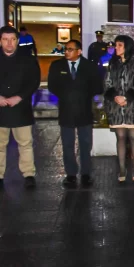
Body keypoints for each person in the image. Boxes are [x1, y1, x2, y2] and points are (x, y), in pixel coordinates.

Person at [48, 39, 103, 187]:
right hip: (66, 110)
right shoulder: (57, 65)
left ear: (79, 51)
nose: (67, 51)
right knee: (67, 144)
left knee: (85, 143)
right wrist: (67, 95)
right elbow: (52, 85)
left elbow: (98, 85)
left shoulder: (89, 66)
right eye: (66, 49)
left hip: (84, 110)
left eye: (70, 49)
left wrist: (82, 95)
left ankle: (86, 173)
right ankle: (71, 174)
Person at [0, 26, 41, 188]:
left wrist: (20, 97)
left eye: (13, 39)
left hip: (20, 107)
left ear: (17, 41)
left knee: (25, 143)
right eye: (5, 39)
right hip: (0, 107)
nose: (9, 43)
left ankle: (28, 174)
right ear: (0, 40)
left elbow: (34, 81)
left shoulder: (28, 58)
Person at [103, 35, 134, 182]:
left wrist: (126, 98)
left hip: (133, 108)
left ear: (127, 46)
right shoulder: (112, 64)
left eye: (119, 45)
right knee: (120, 137)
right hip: (116, 108)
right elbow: (107, 84)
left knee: (133, 137)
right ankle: (122, 169)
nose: (116, 48)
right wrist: (116, 97)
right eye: (116, 45)